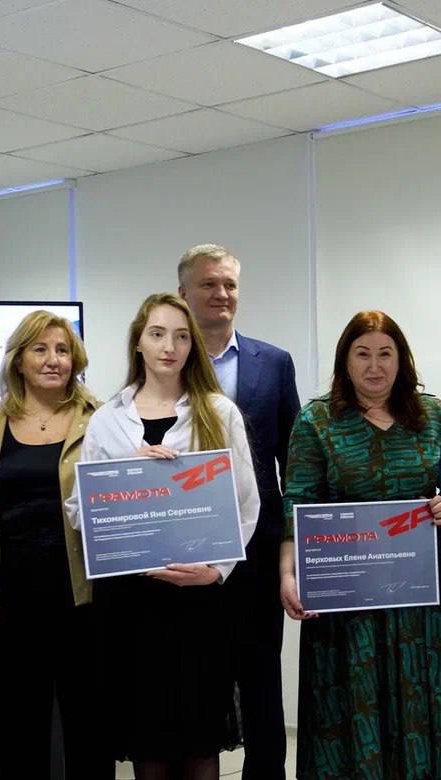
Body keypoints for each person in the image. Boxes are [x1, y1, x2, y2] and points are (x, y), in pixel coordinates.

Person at [77, 293, 259, 780]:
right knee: (148, 743)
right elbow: (80, 509)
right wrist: (130, 475)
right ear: (138, 342)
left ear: (192, 345)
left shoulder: (218, 412)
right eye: (157, 334)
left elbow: (246, 502)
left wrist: (216, 571)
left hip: (197, 600)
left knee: (200, 740)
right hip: (131, 603)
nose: (169, 346)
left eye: (181, 336)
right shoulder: (106, 420)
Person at [280, 310, 441, 780]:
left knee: (419, 701)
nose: (374, 366)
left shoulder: (432, 414)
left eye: (385, 354)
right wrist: (287, 574)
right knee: (350, 706)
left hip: (420, 598)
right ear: (345, 360)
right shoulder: (317, 420)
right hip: (347, 598)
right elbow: (296, 502)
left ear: (401, 359)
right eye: (362, 354)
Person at [0, 311, 109, 779]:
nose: (52, 359)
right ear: (18, 360)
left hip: (83, 598)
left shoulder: (102, 420)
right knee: (17, 730)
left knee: (90, 728)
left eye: (62, 350)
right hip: (10, 603)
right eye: (39, 349)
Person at [177, 243, 299, 779]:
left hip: (258, 546)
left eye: (229, 284)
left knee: (260, 678)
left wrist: (292, 548)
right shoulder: (166, 364)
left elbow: (294, 462)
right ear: (183, 293)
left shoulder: (273, 363)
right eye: (208, 283)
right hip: (186, 546)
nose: (221, 294)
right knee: (194, 677)